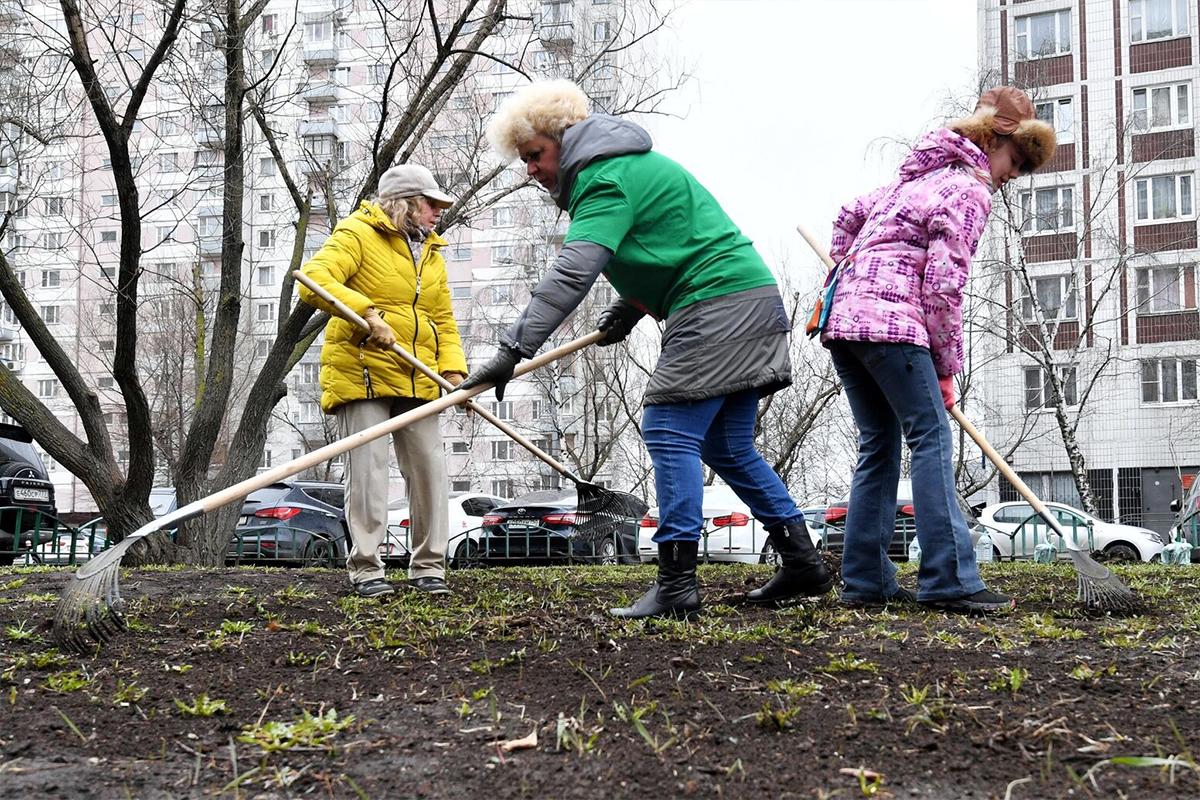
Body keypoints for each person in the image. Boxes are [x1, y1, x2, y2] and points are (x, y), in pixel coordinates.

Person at [458, 79, 831, 618]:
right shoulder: (627, 168)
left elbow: (571, 274)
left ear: (565, 140)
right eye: (524, 159)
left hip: (716, 304)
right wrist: (632, 306)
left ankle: (677, 583)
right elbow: (669, 242)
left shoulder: (603, 178)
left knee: (667, 427)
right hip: (749, 298)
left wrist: (512, 350)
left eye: (535, 155)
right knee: (728, 447)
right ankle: (803, 561)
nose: (531, 169)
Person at [822, 86, 1056, 613]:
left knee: (877, 445)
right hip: (895, 328)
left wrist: (848, 271)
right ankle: (949, 578)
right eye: (1015, 161)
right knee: (931, 438)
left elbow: (846, 215)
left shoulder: (910, 183)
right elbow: (945, 286)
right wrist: (947, 367)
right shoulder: (969, 192)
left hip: (844, 323)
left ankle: (864, 580)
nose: (1013, 175)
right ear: (992, 141)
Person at [298, 164, 466, 598]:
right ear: (406, 204)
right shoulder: (357, 232)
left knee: (431, 470)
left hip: (418, 376)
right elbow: (314, 280)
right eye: (431, 204)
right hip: (363, 373)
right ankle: (367, 567)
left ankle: (429, 567)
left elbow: (442, 320)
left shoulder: (431, 253)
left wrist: (453, 371)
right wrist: (368, 313)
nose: (437, 213)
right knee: (368, 473)